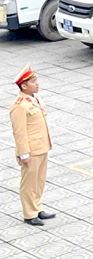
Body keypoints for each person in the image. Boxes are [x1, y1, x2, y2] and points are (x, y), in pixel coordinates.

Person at [10, 68, 53, 226]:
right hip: (31, 150)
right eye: (33, 82)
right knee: (29, 182)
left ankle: (37, 207)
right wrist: (24, 154)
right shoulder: (19, 105)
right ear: (24, 86)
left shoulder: (36, 98)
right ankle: (29, 214)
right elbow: (19, 132)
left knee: (39, 180)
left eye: (36, 80)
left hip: (42, 146)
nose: (37, 84)